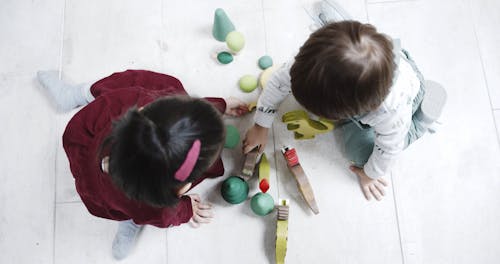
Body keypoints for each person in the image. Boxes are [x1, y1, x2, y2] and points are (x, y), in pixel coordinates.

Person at [243, 1, 446, 201]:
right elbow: (279, 81)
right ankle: (339, 26)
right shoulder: (312, 62)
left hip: (409, 96)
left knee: (359, 153)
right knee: (348, 52)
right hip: (381, 59)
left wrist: (370, 173)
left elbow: (389, 148)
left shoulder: (388, 112)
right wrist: (261, 125)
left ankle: (421, 121)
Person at [37, 69, 249, 260]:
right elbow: (166, 216)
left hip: (95, 127)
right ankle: (130, 221)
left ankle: (78, 94)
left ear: (141, 111)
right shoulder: (150, 208)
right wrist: (185, 209)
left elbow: (184, 119)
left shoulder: (131, 100)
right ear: (182, 189)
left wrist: (219, 105)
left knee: (112, 87)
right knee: (130, 211)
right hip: (113, 190)